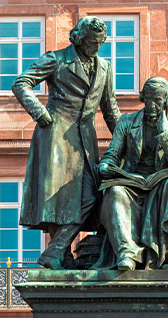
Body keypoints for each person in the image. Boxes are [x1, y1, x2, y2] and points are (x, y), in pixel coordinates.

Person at [12, 17, 119, 269]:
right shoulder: (57, 59)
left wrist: (126, 140)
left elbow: (110, 109)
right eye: (92, 42)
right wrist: (40, 113)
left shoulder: (105, 68)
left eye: (100, 43)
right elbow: (21, 83)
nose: (96, 48)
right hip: (55, 134)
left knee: (90, 197)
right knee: (56, 198)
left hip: (85, 140)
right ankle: (63, 255)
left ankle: (54, 251)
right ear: (79, 38)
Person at [96, 77, 168, 270]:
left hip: (164, 187)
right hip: (133, 185)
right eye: (148, 99)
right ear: (143, 98)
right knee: (115, 192)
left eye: (158, 100)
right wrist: (106, 165)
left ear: (167, 101)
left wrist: (164, 135)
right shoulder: (127, 122)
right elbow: (112, 154)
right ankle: (127, 254)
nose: (152, 105)